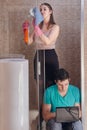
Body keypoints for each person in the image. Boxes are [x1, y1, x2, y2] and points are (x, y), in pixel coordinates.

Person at [23, 2, 60, 88]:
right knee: (39, 83)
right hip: (38, 56)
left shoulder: (55, 27)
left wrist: (36, 28)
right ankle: (41, 101)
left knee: (52, 83)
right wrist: (25, 30)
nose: (42, 11)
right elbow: (28, 42)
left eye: (44, 9)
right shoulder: (38, 26)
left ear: (50, 11)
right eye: (40, 10)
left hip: (50, 56)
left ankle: (50, 101)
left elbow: (47, 41)